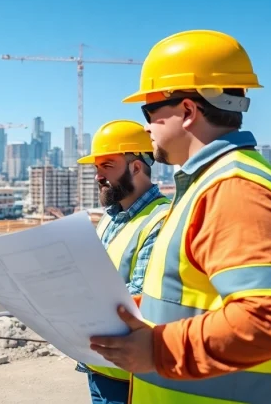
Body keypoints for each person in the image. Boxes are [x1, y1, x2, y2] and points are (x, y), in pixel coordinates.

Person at [90, 29, 271, 404]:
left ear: (188, 111)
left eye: (149, 111)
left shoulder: (234, 189)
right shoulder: (208, 183)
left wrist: (158, 349)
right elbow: (198, 296)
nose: (146, 127)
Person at [74, 120, 169, 404]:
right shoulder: (109, 218)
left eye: (107, 166)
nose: (98, 176)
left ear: (136, 167)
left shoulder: (161, 219)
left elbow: (140, 298)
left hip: (129, 375)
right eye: (96, 168)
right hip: (98, 364)